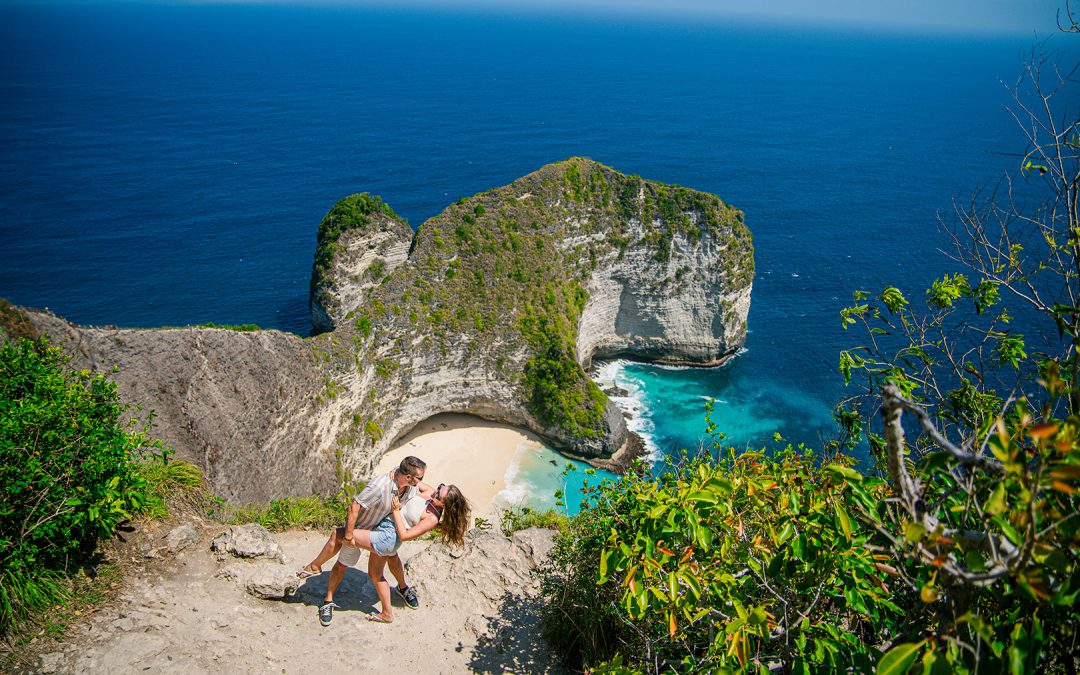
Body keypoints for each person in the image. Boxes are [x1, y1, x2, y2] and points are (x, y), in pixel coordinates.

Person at [296, 456, 427, 626]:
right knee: (342, 564)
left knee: (391, 557)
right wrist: (350, 535)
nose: (422, 481)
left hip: (380, 530)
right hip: (360, 528)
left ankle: (402, 588)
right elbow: (354, 507)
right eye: (420, 478)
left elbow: (428, 491)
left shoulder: (408, 486)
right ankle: (327, 600)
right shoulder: (380, 486)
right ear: (408, 477)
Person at [360, 482, 471, 623]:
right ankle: (403, 588)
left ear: (443, 506)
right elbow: (413, 480)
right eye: (439, 487)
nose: (434, 493)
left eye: (438, 495)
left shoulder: (432, 519)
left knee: (375, 573)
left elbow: (404, 536)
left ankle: (387, 613)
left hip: (391, 535)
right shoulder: (430, 493)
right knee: (393, 559)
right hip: (387, 524)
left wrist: (395, 511)